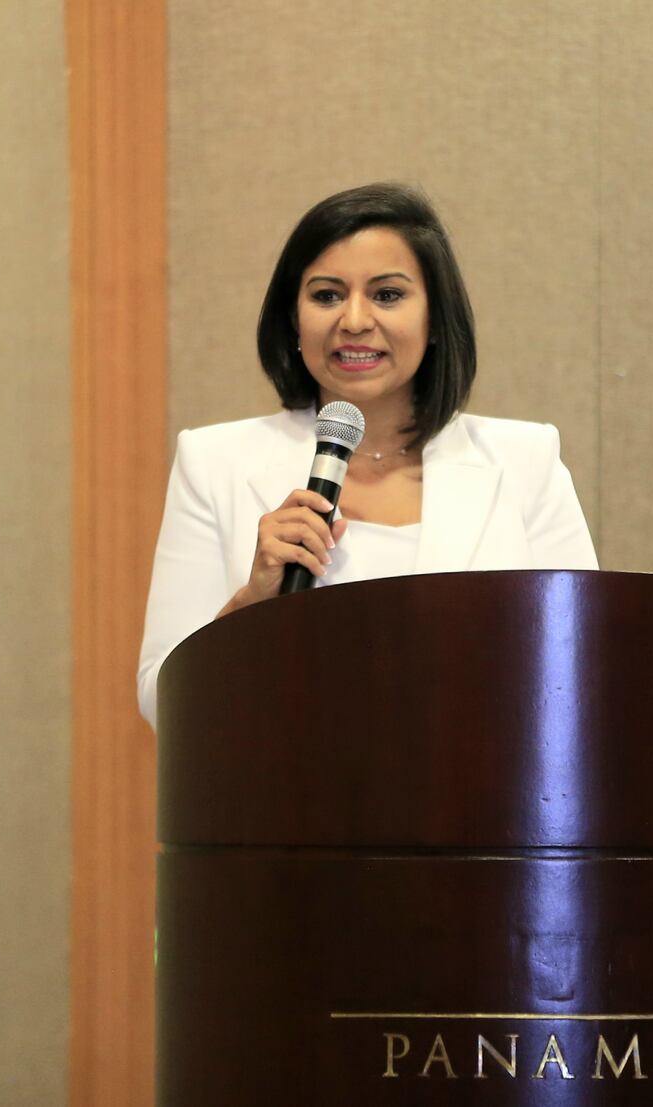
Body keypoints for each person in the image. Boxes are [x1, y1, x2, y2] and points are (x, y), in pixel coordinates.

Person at [137, 183, 597, 727]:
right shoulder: (213, 462)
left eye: (386, 295)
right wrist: (251, 603)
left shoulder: (527, 460)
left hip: (484, 794)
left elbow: (583, 669)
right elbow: (159, 701)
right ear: (293, 320)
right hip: (291, 799)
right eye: (327, 295)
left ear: (433, 321)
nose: (353, 321)